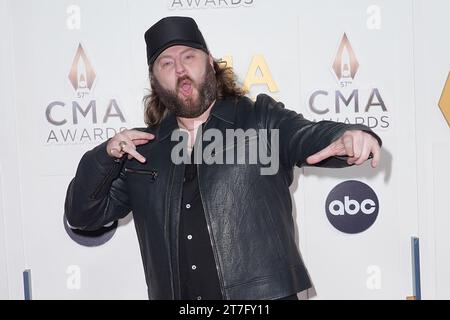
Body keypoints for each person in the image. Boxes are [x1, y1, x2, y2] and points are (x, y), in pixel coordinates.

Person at [65, 16, 382, 300]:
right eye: (166, 63)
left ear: (211, 65)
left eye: (189, 57)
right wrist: (104, 157)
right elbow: (82, 215)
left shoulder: (259, 119)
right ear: (155, 81)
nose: (180, 69)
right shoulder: (141, 150)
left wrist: (347, 136)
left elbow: (307, 135)